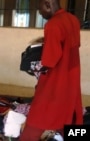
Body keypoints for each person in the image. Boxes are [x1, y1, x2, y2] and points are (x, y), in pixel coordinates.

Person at [19, 0, 83, 140]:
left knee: (37, 119)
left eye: (40, 8)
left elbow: (49, 61)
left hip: (56, 80)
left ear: (48, 5)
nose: (39, 12)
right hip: (71, 77)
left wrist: (32, 66)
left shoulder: (53, 24)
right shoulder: (73, 20)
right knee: (68, 115)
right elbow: (69, 45)